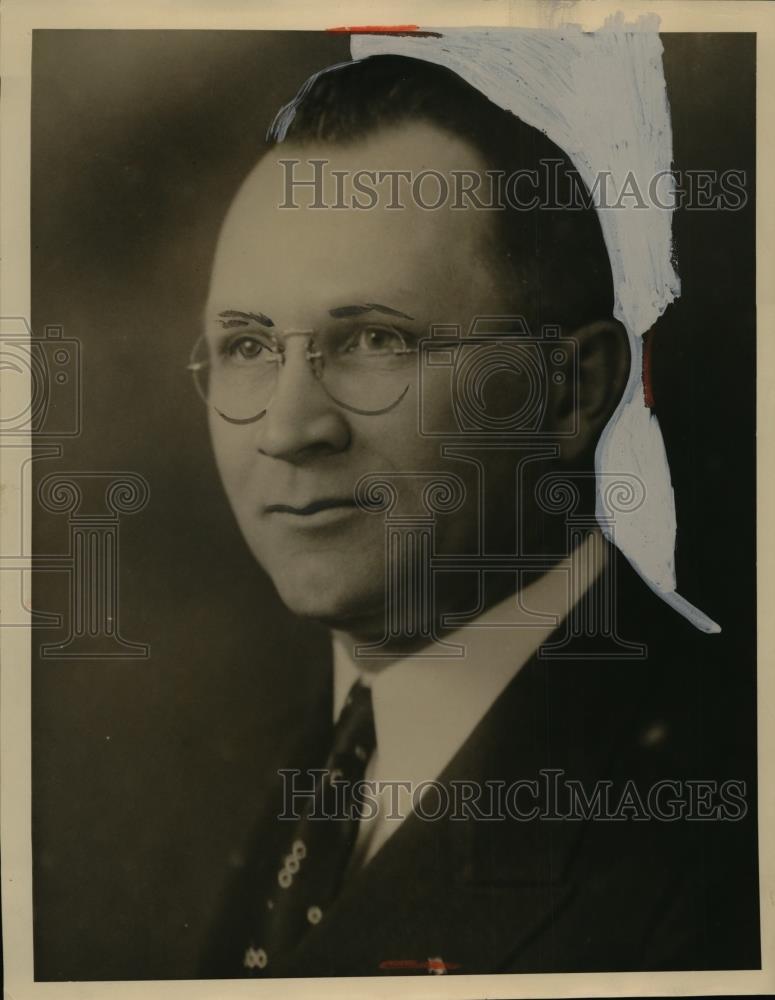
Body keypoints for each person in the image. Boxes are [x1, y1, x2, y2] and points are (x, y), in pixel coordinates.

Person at [194, 55, 758, 977]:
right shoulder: (233, 772)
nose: (289, 429)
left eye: (375, 340)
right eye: (249, 345)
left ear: (570, 392)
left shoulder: (717, 841)